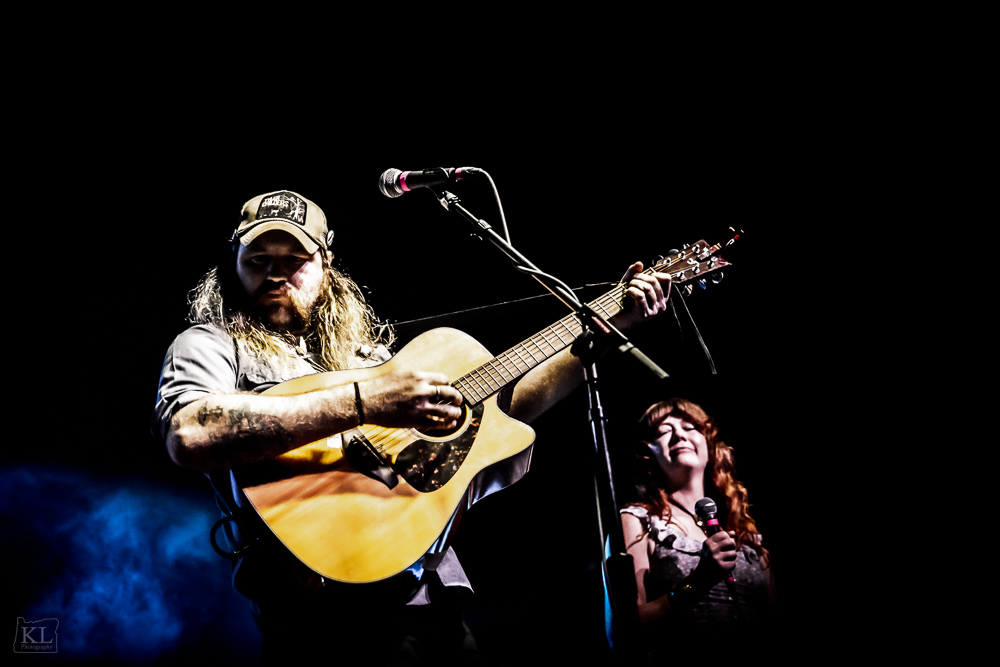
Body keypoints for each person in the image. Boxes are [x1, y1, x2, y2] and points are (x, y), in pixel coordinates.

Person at [151, 190, 674, 665]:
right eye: (258, 260)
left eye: (295, 260)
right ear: (234, 264)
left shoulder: (367, 358)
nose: (275, 273)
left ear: (326, 264)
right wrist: (367, 401)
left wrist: (609, 328)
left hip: (433, 593)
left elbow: (501, 413)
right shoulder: (210, 344)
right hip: (323, 609)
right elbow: (189, 433)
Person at [615, 397, 776, 660]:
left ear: (709, 445)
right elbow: (627, 626)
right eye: (664, 431)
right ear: (647, 453)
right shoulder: (638, 521)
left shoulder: (748, 538)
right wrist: (698, 582)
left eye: (690, 428)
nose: (679, 434)